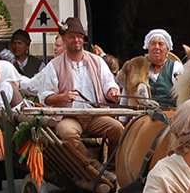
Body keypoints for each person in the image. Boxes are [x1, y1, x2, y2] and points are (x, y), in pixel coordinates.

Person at [26, 17, 123, 158]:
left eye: (79, 37)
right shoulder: (54, 65)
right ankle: (91, 168)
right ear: (64, 39)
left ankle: (113, 166)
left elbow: (109, 84)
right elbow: (45, 97)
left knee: (118, 128)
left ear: (83, 40)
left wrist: (112, 92)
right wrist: (63, 97)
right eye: (72, 37)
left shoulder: (97, 62)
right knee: (68, 133)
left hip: (94, 115)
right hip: (68, 117)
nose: (76, 40)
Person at [142, 29, 183, 107]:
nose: (156, 47)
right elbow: (128, 94)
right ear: (148, 47)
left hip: (170, 115)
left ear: (167, 49)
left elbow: (183, 95)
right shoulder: (141, 68)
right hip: (143, 114)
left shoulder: (176, 67)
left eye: (161, 44)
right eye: (153, 44)